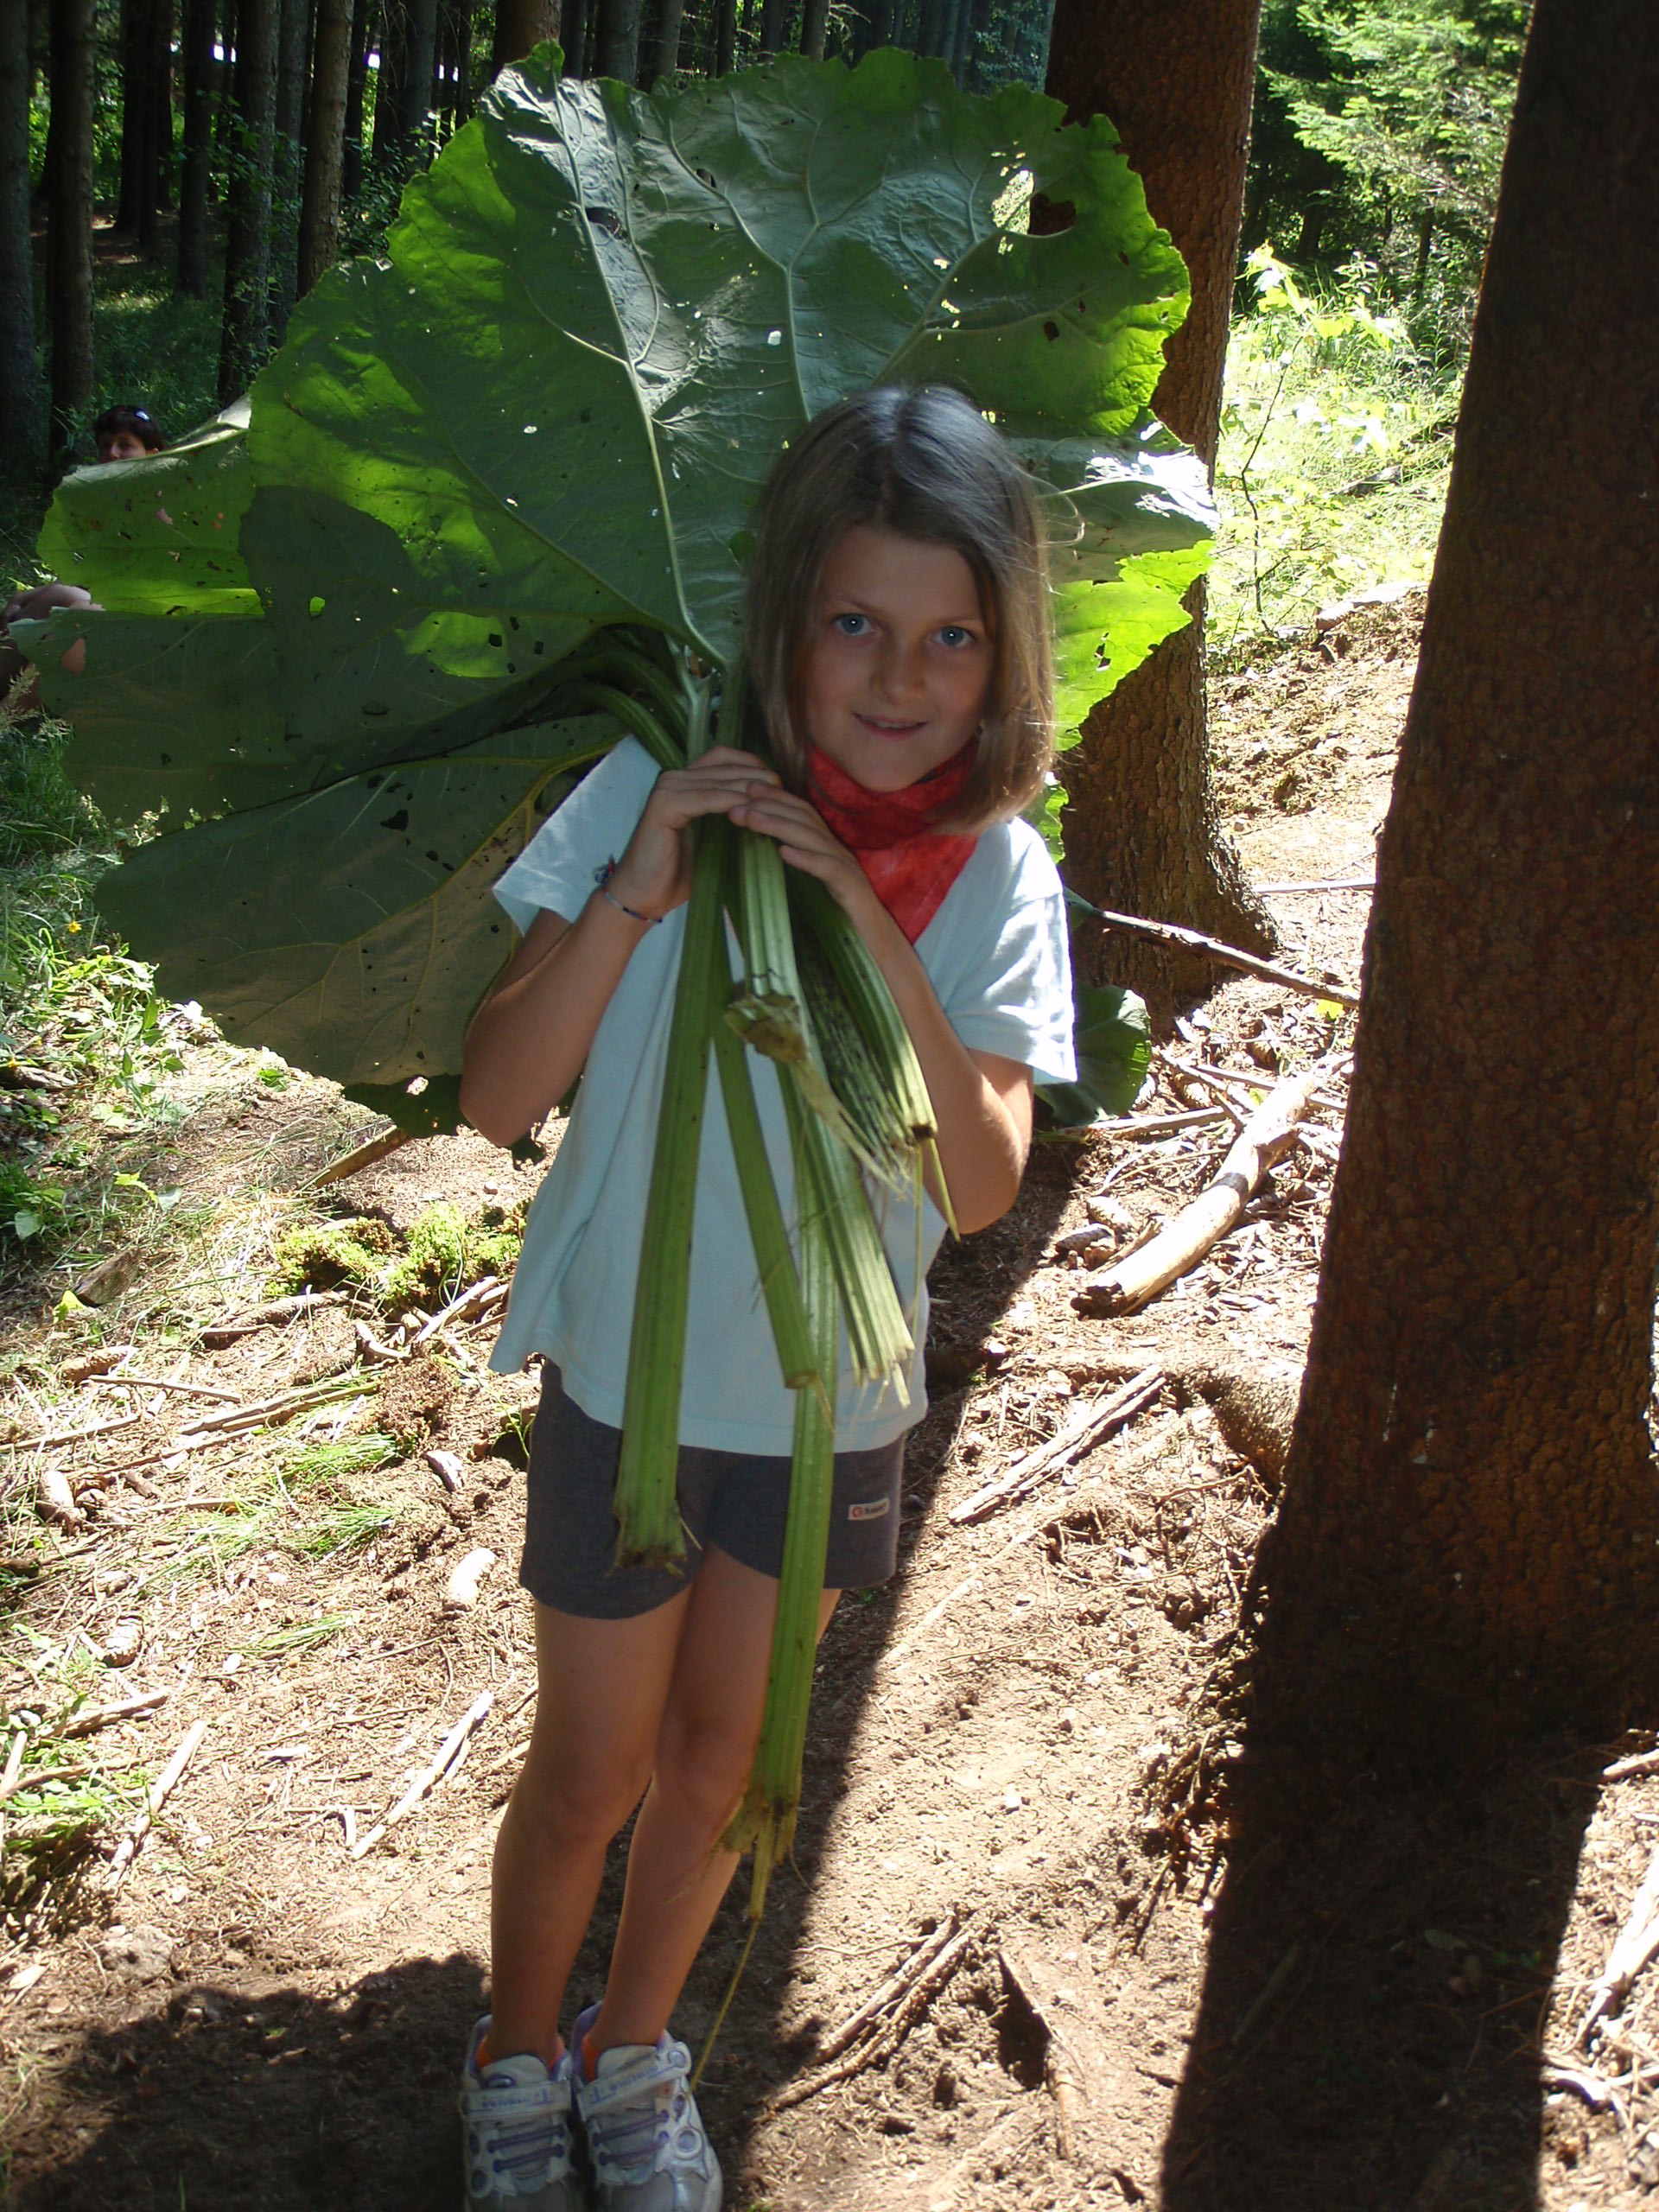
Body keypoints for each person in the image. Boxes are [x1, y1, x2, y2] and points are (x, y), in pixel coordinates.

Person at [456, 384, 1077, 2212]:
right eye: (857, 622)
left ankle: (635, 2052)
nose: (902, 677)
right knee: (593, 1769)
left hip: (829, 1416)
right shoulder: (653, 794)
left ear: (1003, 655)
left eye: (953, 636)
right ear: (786, 619)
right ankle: (514, 2055)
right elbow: (497, 1095)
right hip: (634, 1392)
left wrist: (871, 922)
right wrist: (643, 887)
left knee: (725, 1766)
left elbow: (981, 1186)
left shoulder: (995, 873)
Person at [1, 405, 168, 699]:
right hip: (119, 609)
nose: (112, 453)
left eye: (125, 445)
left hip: (159, 626)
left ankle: (11, 712)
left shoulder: (164, 506)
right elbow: (91, 573)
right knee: (53, 597)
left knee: (77, 611)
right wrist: (24, 597)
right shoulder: (113, 503)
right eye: (105, 445)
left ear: (151, 454)